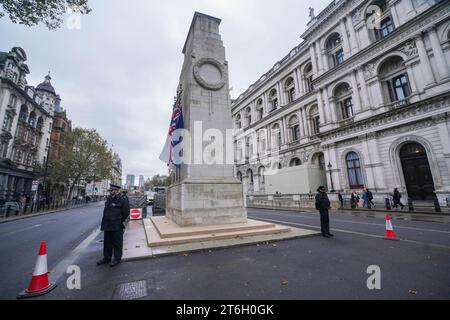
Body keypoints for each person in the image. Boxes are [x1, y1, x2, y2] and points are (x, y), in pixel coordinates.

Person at [97, 184, 130, 267]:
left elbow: (126, 212)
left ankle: (117, 259)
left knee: (117, 242)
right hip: (107, 224)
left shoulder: (122, 199)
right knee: (107, 242)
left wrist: (120, 219)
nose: (110, 192)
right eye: (110, 190)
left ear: (117, 190)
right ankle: (107, 258)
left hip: (116, 224)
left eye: (112, 190)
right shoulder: (109, 198)